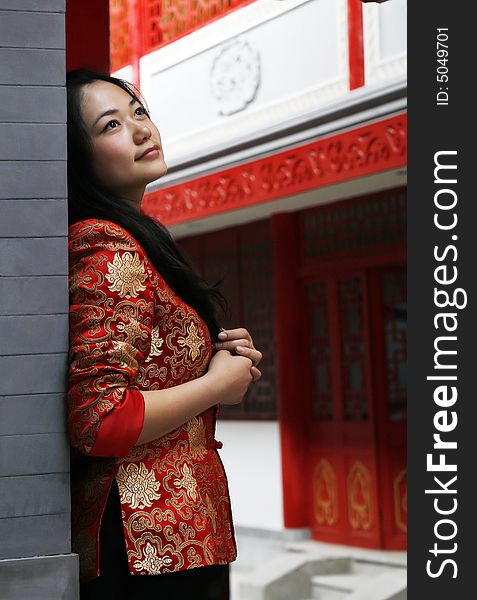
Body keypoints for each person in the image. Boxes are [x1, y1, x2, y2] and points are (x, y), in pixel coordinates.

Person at [66, 69, 262, 599]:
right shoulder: (107, 245)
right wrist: (216, 385)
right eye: (110, 124)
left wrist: (217, 359)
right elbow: (98, 419)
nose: (139, 129)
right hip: (142, 543)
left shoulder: (137, 239)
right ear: (75, 157)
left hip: (174, 536)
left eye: (139, 112)